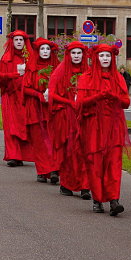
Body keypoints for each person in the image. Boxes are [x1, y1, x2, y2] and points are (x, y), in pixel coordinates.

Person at [76, 43, 131, 216]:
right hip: (93, 126)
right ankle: (97, 199)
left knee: (114, 162)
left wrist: (115, 96)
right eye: (102, 56)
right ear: (96, 58)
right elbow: (80, 103)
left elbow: (126, 102)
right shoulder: (86, 77)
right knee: (95, 163)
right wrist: (97, 97)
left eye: (108, 56)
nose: (105, 59)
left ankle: (114, 199)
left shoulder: (118, 78)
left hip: (114, 126)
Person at [48, 41, 90, 200]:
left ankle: (85, 186)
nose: (77, 56)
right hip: (66, 116)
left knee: (84, 151)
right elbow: (53, 94)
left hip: (84, 116)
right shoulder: (60, 71)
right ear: (69, 55)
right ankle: (67, 183)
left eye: (79, 53)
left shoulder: (88, 71)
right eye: (74, 53)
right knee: (70, 151)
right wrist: (69, 102)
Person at [22, 38, 60, 183]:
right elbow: (25, 88)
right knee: (39, 140)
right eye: (42, 49)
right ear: (38, 51)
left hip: (51, 108)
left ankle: (53, 169)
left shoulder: (56, 67)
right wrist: (39, 95)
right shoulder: (31, 67)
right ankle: (42, 170)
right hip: (35, 107)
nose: (45, 52)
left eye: (48, 49)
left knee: (51, 139)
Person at [0, 30, 34, 167]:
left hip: (25, 98)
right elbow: (0, 76)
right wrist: (15, 74)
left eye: (21, 40)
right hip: (10, 97)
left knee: (24, 126)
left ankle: (22, 155)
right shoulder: (6, 58)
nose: (19, 42)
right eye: (16, 40)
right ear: (12, 41)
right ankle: (13, 155)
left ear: (25, 42)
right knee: (11, 126)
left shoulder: (29, 58)